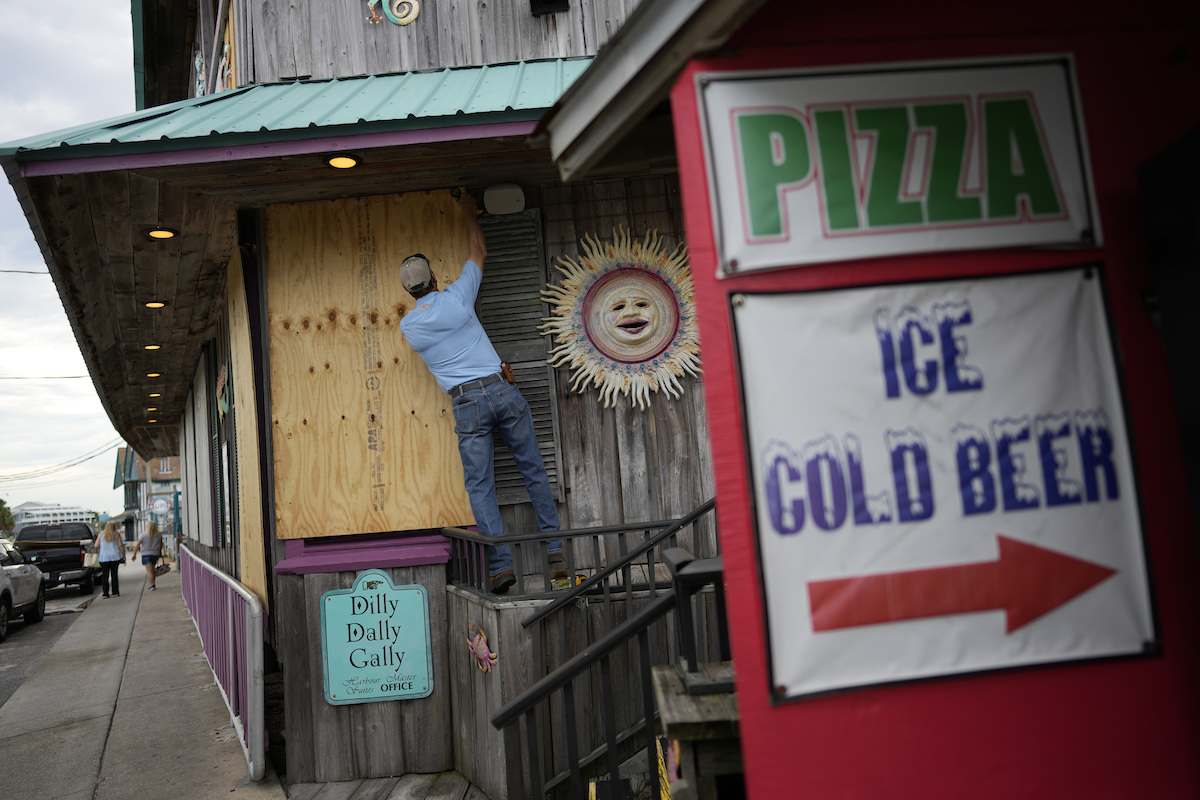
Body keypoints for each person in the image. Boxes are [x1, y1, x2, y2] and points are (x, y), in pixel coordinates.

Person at [399, 189, 566, 594]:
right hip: (501, 389)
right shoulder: (458, 297)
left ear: (410, 291)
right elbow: (479, 251)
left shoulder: (409, 327)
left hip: (467, 404)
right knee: (533, 470)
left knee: (480, 487)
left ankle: (500, 566)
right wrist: (468, 213)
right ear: (435, 279)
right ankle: (556, 550)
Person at [93, 520, 124, 598]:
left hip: (104, 557)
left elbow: (96, 545)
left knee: (105, 576)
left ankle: (105, 593)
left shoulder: (101, 535)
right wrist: (123, 555)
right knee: (114, 575)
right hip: (115, 556)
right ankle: (115, 591)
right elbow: (120, 545)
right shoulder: (116, 534)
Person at [131, 521, 164, 591]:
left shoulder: (143, 535)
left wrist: (134, 554)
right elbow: (161, 545)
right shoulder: (158, 535)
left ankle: (151, 585)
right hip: (155, 554)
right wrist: (160, 552)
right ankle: (153, 584)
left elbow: (137, 545)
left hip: (146, 555)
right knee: (152, 570)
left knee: (149, 571)